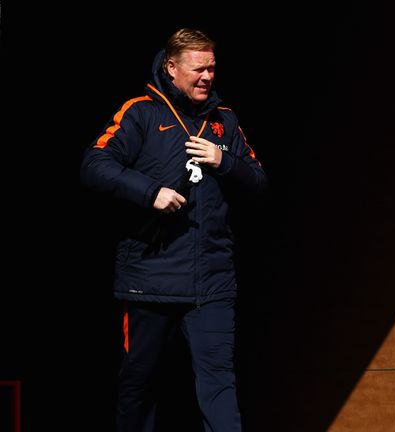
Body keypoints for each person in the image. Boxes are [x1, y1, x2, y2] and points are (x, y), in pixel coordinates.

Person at [80, 28, 266, 432]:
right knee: (139, 384)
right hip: (151, 277)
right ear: (171, 67)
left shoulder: (225, 122)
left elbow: (258, 180)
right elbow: (94, 165)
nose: (207, 77)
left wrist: (225, 160)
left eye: (212, 68)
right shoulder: (142, 113)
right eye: (198, 69)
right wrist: (150, 193)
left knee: (219, 385)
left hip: (212, 280)